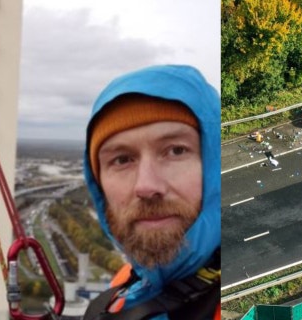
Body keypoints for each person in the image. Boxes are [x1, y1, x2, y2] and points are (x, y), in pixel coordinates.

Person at [82, 65, 220, 320]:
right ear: (98, 183)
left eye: (176, 151)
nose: (147, 186)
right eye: (122, 159)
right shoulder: (125, 285)